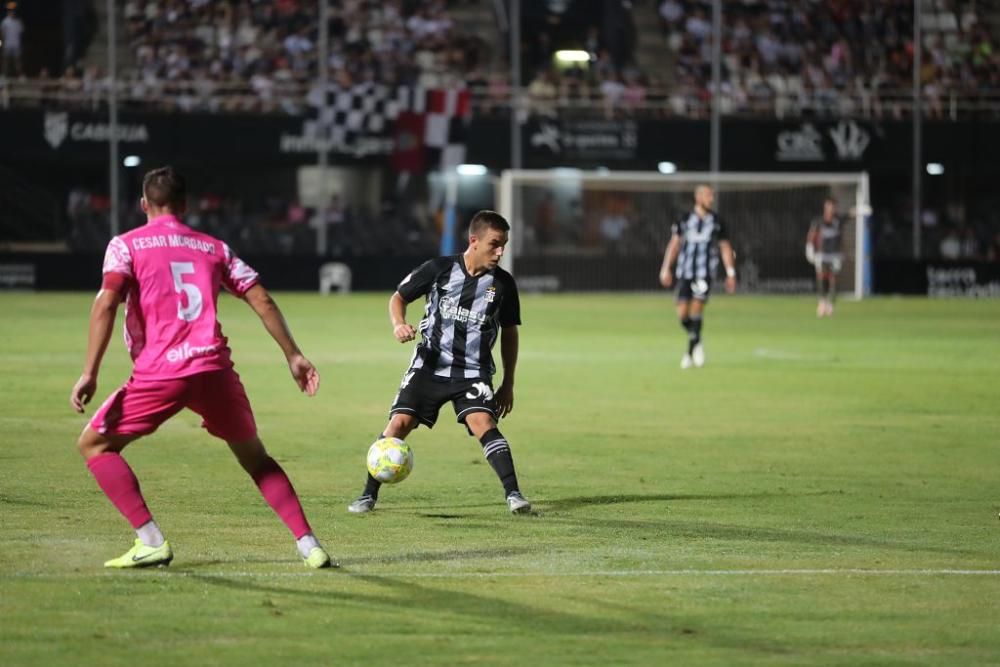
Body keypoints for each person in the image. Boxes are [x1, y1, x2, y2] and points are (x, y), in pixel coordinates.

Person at [69, 166, 334, 569]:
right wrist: (293, 355)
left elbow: (107, 302)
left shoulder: (125, 246)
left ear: (144, 204)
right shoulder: (214, 248)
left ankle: (150, 539)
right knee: (256, 457)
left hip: (160, 373)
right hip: (213, 370)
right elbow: (260, 299)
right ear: (185, 205)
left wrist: (90, 371)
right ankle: (309, 545)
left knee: (94, 444)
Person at [347, 210, 531, 515]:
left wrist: (508, 383)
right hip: (429, 367)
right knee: (398, 424)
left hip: (473, 372)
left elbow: (510, 332)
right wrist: (398, 323)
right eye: (494, 244)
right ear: (474, 240)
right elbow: (398, 297)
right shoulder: (439, 269)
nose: (500, 252)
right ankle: (367, 495)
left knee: (483, 422)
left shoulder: (504, 285)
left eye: (504, 245)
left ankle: (514, 495)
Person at [658, 185, 736, 369]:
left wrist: (730, 272)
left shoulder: (717, 221)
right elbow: (674, 244)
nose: (712, 199)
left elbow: (725, 248)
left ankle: (689, 353)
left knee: (696, 310)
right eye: (709, 195)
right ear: (698, 197)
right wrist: (665, 268)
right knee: (682, 314)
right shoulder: (684, 219)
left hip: (704, 273)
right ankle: (697, 341)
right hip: (685, 272)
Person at [806, 196, 844, 317]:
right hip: (822, 254)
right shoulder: (818, 221)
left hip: (835, 255)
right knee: (822, 277)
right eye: (828, 206)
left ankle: (830, 304)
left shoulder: (839, 220)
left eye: (832, 206)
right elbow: (811, 235)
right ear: (825, 207)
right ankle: (822, 303)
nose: (830, 209)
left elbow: (850, 215)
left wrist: (859, 210)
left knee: (834, 279)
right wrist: (809, 248)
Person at [1, 4, 24, 78]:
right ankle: (4, 75)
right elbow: (2, 34)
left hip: (16, 44)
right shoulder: (5, 22)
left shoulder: (18, 22)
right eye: (10, 12)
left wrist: (20, 44)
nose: (12, 13)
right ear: (8, 12)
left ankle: (20, 75)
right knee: (6, 61)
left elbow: (21, 33)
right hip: (7, 44)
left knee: (17, 60)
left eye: (13, 12)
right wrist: (2, 44)